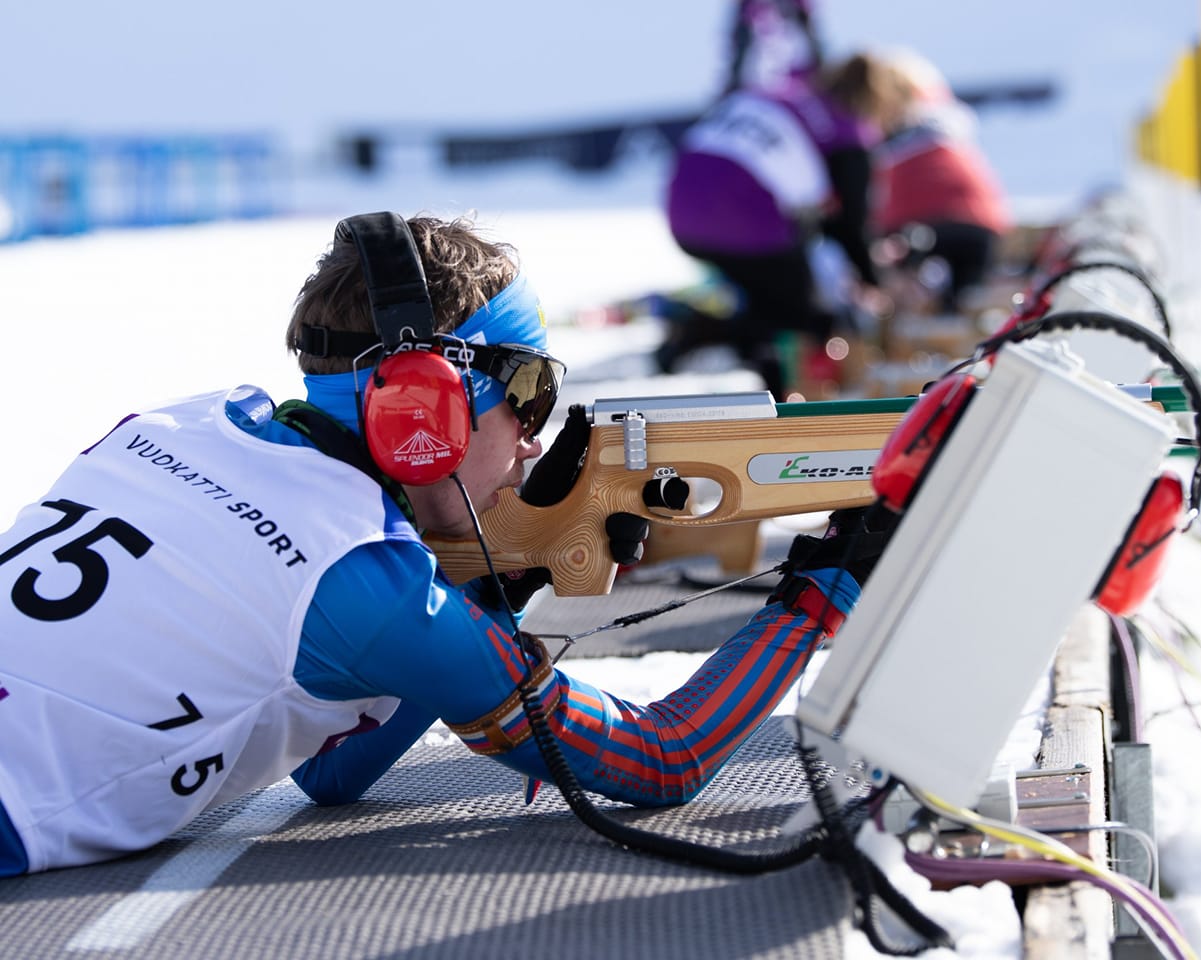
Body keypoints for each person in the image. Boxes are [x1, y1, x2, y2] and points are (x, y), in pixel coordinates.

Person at [0, 212, 896, 875]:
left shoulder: (186, 421)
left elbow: (335, 772)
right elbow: (663, 759)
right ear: (433, 402)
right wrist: (823, 588)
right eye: (533, 394)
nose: (537, 439)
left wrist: (503, 574)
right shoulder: (365, 588)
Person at [662, 51, 906, 400]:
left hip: (683, 208)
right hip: (739, 216)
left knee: (772, 302)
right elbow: (850, 224)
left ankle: (763, 378)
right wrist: (874, 280)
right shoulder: (847, 129)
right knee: (805, 313)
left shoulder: (788, 95)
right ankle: (707, 335)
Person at [871, 50, 1012, 315]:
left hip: (918, 228)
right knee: (966, 305)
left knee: (892, 281)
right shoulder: (950, 126)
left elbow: (877, 203)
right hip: (983, 221)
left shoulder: (886, 139)